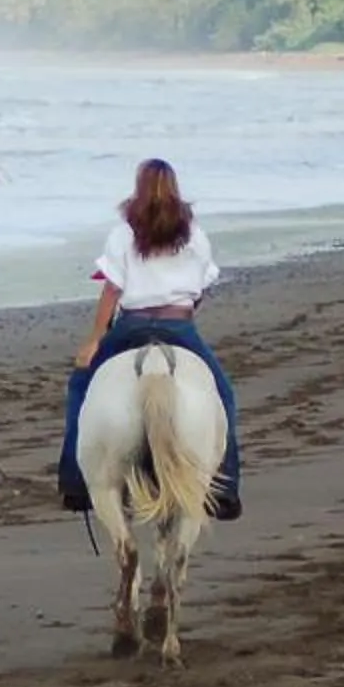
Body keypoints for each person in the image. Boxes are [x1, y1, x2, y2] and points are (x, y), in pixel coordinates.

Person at [59, 158, 242, 519]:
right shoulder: (194, 234)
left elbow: (112, 291)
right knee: (223, 395)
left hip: (131, 325)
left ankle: (76, 481)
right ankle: (227, 486)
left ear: (138, 187)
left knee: (81, 385)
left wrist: (95, 339)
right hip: (180, 326)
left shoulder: (123, 232)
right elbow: (200, 289)